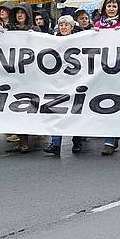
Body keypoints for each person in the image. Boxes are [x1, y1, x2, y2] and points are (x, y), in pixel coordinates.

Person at [94, 0, 120, 155]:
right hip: (101, 71)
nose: (111, 8)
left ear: (118, 9)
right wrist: (93, 35)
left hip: (119, 71)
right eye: (108, 6)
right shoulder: (97, 25)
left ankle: (110, 140)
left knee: (116, 103)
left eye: (114, 6)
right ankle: (111, 137)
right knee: (105, 104)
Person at [43, 15, 84, 156]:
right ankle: (55, 144)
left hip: (76, 82)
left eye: (67, 25)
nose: (64, 27)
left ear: (72, 27)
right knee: (56, 113)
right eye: (61, 25)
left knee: (75, 112)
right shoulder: (53, 41)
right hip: (58, 83)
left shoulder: (80, 40)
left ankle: (77, 142)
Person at [5, 3, 40, 153]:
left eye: (22, 13)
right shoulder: (9, 30)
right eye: (17, 13)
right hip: (14, 75)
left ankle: (28, 138)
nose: (19, 15)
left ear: (27, 14)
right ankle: (22, 140)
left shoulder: (35, 30)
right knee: (15, 107)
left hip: (30, 75)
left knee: (28, 106)